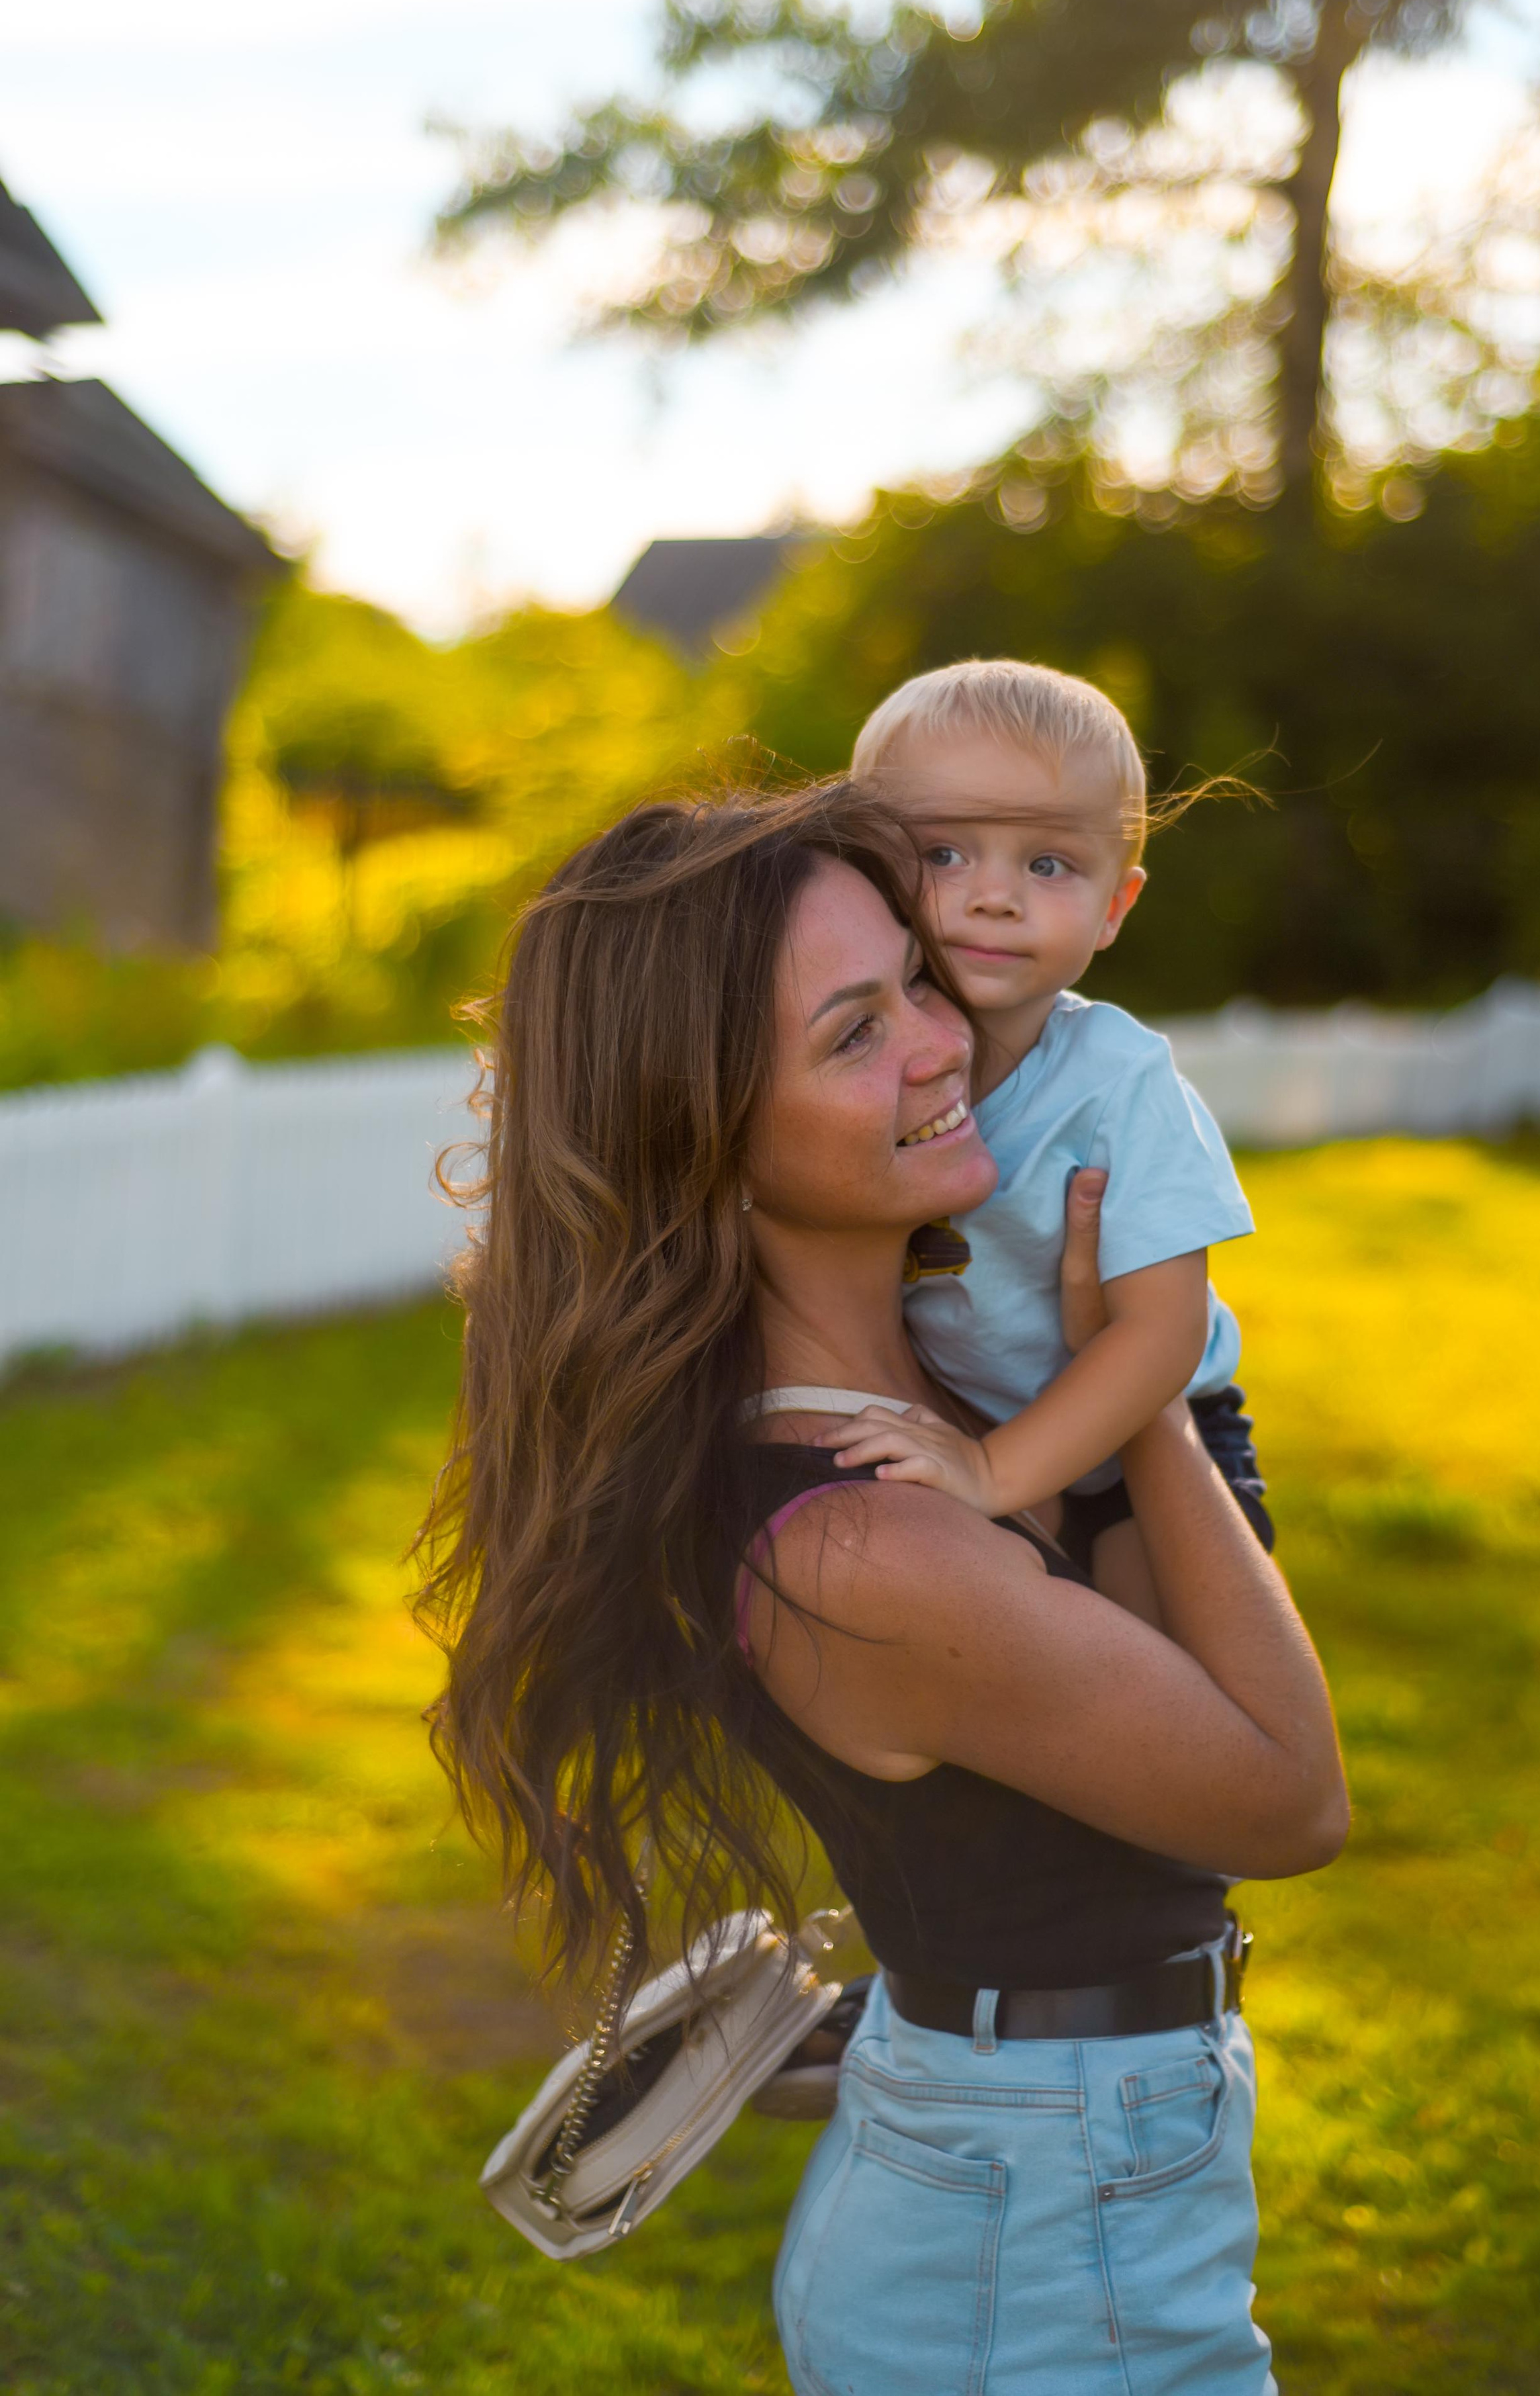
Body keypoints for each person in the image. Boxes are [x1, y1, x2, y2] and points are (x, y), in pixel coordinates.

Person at [416, 781, 1348, 2396]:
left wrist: (1091, 1374)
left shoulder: (934, 1394)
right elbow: (1281, 1797)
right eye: (853, 1035)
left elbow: (1151, 1663)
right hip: (1034, 2257)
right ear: (701, 1144)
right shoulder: (858, 1546)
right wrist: (1156, 1364)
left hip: (1061, 2176)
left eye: (917, 980)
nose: (940, 1041)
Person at [842, 658, 1273, 1616]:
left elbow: (1163, 1334)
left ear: (1116, 905)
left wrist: (995, 1472)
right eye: (945, 853)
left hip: (1146, 1432)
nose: (995, 896)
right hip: (964, 1418)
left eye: (1047, 864)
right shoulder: (849, 1064)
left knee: (1151, 1667)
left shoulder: (1119, 1082)